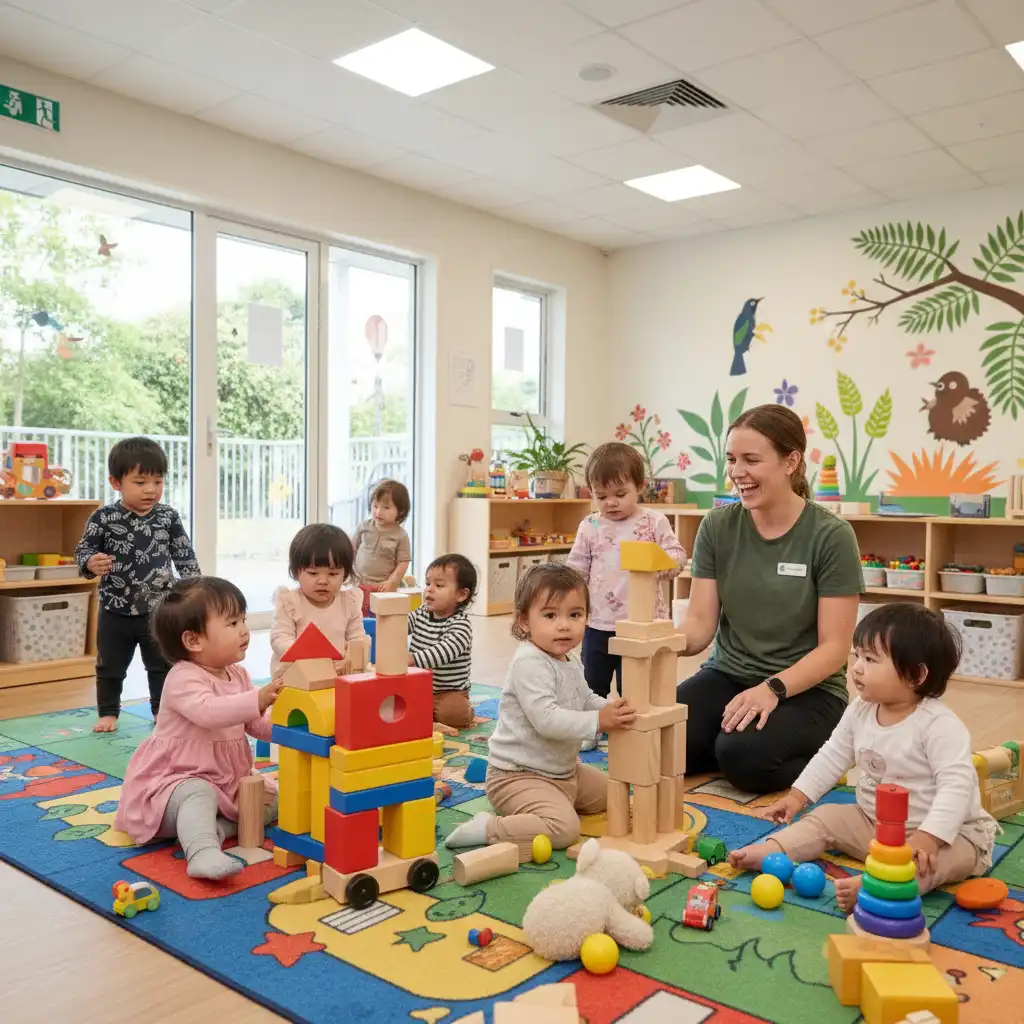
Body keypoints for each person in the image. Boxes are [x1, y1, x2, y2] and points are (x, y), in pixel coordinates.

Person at [728, 603, 998, 911]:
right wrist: (798, 796)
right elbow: (833, 754)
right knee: (827, 816)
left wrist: (929, 837)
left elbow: (957, 788)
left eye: (870, 659)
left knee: (934, 864)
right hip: (875, 825)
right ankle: (773, 850)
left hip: (948, 836)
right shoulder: (860, 710)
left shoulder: (939, 726)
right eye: (857, 655)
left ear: (916, 675)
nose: (856, 667)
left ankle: (878, 886)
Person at [675, 404, 863, 793]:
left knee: (744, 761)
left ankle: (825, 758)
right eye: (731, 459)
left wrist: (772, 689)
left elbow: (834, 649)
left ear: (790, 461)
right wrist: (661, 643)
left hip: (807, 691)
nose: (737, 472)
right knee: (663, 742)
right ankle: (723, 745)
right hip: (728, 675)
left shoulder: (832, 536)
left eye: (751, 460)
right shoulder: (716, 527)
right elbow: (699, 625)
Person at [444, 564, 636, 862]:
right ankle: (490, 828)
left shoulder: (569, 658)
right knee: (564, 829)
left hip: (562, 772)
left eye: (575, 615)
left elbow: (583, 697)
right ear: (523, 621)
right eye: (550, 615)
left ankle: (552, 803)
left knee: (617, 792)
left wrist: (609, 709)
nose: (564, 625)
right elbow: (547, 720)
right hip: (516, 777)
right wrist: (599, 722)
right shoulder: (529, 663)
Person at [113, 577, 283, 880]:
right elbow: (209, 712)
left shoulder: (238, 674)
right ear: (193, 641)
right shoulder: (183, 678)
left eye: (243, 619)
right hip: (174, 784)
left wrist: (289, 725)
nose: (244, 630)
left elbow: (256, 724)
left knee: (272, 796)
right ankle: (202, 852)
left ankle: (218, 830)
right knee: (197, 793)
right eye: (232, 623)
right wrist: (256, 699)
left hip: (227, 782)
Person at [74, 436, 200, 732]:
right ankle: (108, 713)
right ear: (116, 483)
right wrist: (91, 562)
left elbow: (183, 553)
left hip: (159, 610)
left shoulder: (167, 517)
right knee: (109, 666)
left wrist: (195, 588)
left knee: (162, 665)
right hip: (114, 610)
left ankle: (161, 711)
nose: (151, 490)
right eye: (141, 482)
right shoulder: (104, 518)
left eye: (158, 481)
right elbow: (83, 551)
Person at [568, 442, 686, 701]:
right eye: (600, 496)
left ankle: (631, 736)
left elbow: (677, 558)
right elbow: (576, 570)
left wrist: (656, 564)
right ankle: (593, 730)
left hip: (642, 624)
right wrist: (572, 612)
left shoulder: (654, 521)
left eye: (620, 494)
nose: (610, 503)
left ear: (640, 487)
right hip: (597, 623)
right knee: (591, 686)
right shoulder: (590, 525)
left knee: (634, 688)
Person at [270, 523, 366, 676]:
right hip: (296, 676)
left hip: (336, 674)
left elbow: (357, 639)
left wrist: (348, 659)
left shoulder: (349, 602)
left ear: (345, 574)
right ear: (297, 572)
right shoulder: (290, 602)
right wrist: (308, 654)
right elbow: (279, 638)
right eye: (313, 573)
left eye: (333, 574)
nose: (323, 581)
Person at [408, 553, 477, 730]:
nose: (429, 590)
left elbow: (444, 651)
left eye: (439, 585)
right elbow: (403, 624)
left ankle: (466, 712)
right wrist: (389, 621)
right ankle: (426, 713)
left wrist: (414, 659)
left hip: (448, 692)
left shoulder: (461, 625)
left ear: (461, 595)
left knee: (453, 712)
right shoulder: (423, 612)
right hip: (419, 688)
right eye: (427, 583)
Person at [353, 480, 412, 617]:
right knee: (358, 619)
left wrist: (392, 581)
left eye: (386, 508)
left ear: (400, 511)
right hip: (359, 584)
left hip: (382, 588)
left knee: (380, 620)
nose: (378, 512)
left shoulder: (401, 536)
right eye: (375, 506)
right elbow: (352, 548)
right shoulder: (364, 526)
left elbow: (403, 562)